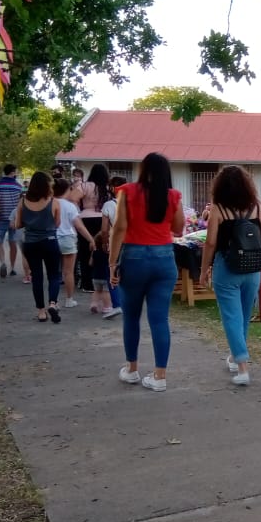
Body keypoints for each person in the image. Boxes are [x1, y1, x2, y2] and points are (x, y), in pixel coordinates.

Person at [109, 152, 185, 392]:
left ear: (142, 169)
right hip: (164, 258)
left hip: (134, 257)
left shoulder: (127, 191)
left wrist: (112, 262)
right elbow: (179, 228)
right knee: (159, 319)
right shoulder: (173, 195)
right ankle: (160, 375)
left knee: (131, 316)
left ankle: (132, 369)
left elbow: (119, 228)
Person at [199, 165, 261, 387]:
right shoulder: (258, 208)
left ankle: (242, 367)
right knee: (243, 316)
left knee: (231, 317)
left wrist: (204, 269)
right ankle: (235, 357)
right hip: (253, 269)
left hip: (227, 268)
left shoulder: (217, 210)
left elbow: (211, 243)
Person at [14, 172, 63, 323]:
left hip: (30, 243)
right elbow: (57, 224)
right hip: (49, 241)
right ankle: (53, 304)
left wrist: (31, 223)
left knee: (37, 276)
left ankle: (41, 311)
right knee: (54, 275)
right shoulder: (53, 202)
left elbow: (17, 224)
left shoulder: (23, 201)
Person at [53, 178, 96, 309]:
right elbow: (79, 226)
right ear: (68, 189)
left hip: (51, 239)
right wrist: (91, 239)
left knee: (53, 272)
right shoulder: (70, 206)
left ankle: (52, 301)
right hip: (68, 239)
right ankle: (69, 299)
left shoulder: (49, 204)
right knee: (68, 272)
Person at [71, 163, 111, 293]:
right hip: (103, 219)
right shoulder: (107, 187)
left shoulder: (85, 185)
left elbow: (72, 198)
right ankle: (103, 281)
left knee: (85, 251)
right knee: (102, 249)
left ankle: (87, 284)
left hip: (86, 219)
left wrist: (80, 206)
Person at [99, 175, 127, 318]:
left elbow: (104, 229)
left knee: (112, 272)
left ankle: (117, 304)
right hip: (131, 242)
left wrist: (104, 242)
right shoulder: (133, 203)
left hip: (114, 242)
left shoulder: (108, 205)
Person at [0, 163, 25, 277]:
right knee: (13, 242)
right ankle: (12, 267)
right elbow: (20, 203)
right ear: (12, 172)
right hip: (14, 219)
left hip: (0, 217)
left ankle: (2, 262)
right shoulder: (18, 186)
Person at [89, 231, 113, 316]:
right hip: (105, 276)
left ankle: (94, 304)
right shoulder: (109, 253)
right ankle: (107, 307)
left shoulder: (94, 252)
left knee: (97, 291)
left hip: (95, 276)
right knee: (106, 292)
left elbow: (90, 263)